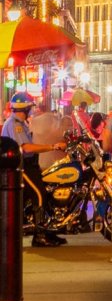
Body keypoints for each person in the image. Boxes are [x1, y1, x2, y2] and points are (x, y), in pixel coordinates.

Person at [1, 92, 67, 248]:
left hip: (31, 165)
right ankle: (40, 236)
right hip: (22, 167)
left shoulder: (22, 123)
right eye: (30, 107)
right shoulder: (14, 124)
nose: (32, 110)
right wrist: (53, 146)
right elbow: (26, 147)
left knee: (45, 193)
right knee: (39, 195)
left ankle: (48, 231)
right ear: (24, 108)